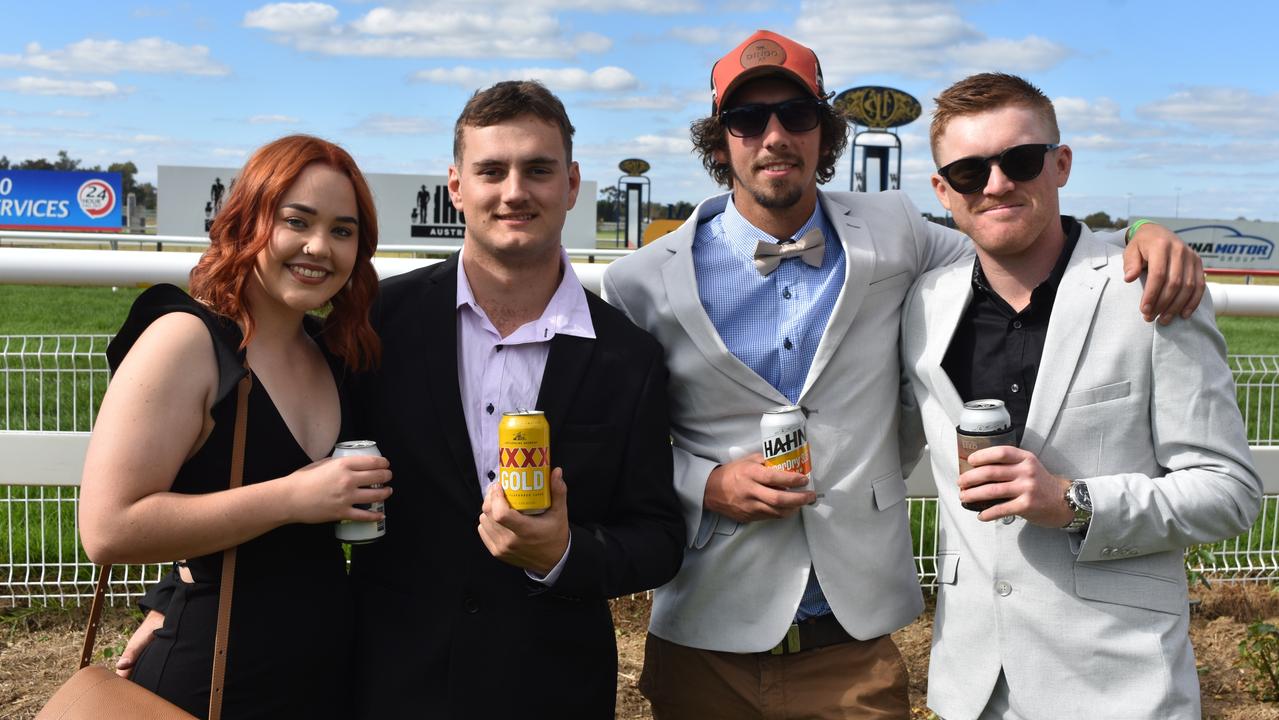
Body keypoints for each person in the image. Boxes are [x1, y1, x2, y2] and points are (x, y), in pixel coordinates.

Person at [601, 30, 1205, 719]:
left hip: (854, 641)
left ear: (824, 136)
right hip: (705, 630)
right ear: (719, 142)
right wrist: (702, 483)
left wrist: (1141, 237)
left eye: (796, 116)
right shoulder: (639, 282)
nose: (773, 136)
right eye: (746, 120)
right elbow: (621, 444)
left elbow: (1013, 235)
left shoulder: (893, 230)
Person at [900, 72, 1260, 720]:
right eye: (967, 171)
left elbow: (1228, 490)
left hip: (1120, 691)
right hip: (969, 690)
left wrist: (1071, 503)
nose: (995, 183)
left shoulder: (1150, 292)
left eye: (1019, 159)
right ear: (941, 190)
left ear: (1059, 164)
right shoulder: (920, 307)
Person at [345, 80, 683, 718]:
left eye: (538, 169)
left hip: (552, 687)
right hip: (390, 680)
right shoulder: (378, 323)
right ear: (456, 185)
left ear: (572, 183)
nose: (514, 191)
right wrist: (176, 595)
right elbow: (280, 454)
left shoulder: (628, 356)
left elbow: (658, 538)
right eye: (491, 170)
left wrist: (562, 554)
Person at [79, 135, 393, 719]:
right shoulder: (186, 341)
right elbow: (109, 528)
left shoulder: (333, 355)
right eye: (295, 221)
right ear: (248, 221)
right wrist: (292, 497)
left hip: (323, 677)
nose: (319, 247)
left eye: (343, 231)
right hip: (212, 681)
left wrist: (160, 599)